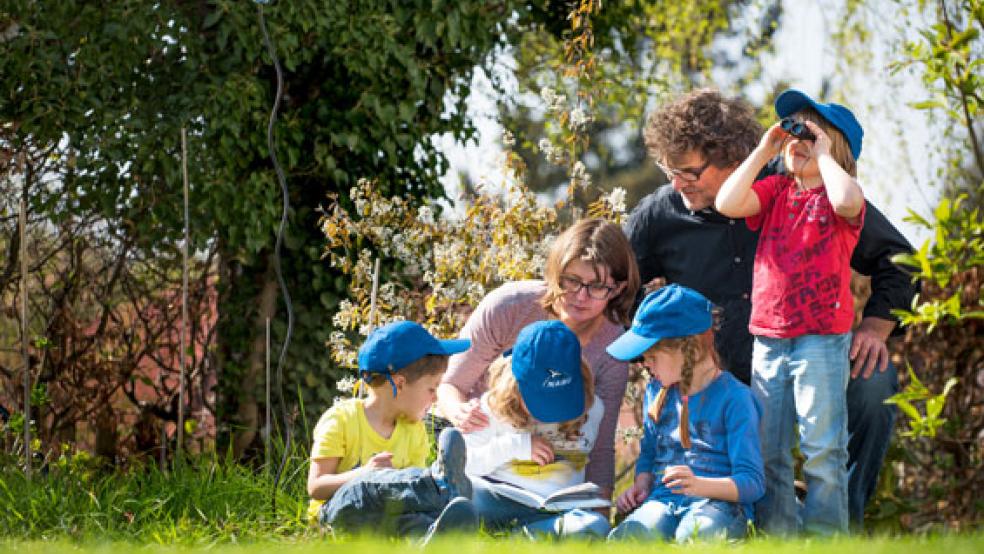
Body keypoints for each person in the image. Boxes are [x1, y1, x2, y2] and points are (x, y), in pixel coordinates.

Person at [624, 88, 916, 528]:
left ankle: (842, 522)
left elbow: (899, 259)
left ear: (731, 158)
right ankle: (760, 522)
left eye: (689, 172)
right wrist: (651, 351)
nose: (676, 183)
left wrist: (875, 327)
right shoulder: (658, 215)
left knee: (874, 382)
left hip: (814, 349)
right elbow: (619, 286)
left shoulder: (800, 185)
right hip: (718, 378)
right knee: (762, 454)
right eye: (669, 170)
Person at [715, 89, 866, 535]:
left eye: (811, 131)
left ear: (837, 148)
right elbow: (726, 202)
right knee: (768, 450)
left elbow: (847, 202)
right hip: (769, 338)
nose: (797, 139)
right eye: (793, 130)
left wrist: (824, 155)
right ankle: (778, 538)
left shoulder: (841, 197)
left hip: (820, 340)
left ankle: (825, 541)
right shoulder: (776, 190)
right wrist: (765, 149)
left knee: (822, 449)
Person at [437, 218, 641, 498]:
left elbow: (601, 447)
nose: (580, 296)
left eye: (597, 287)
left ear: (618, 288)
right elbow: (450, 386)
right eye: (572, 280)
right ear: (556, 270)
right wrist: (459, 413)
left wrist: (600, 518)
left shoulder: (613, 347)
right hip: (486, 457)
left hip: (549, 481)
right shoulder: (509, 308)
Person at [606, 285, 764, 542]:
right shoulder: (658, 390)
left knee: (695, 535)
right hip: (664, 501)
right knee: (630, 537)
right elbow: (648, 453)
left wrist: (699, 486)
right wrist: (642, 484)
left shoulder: (735, 399)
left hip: (718, 504)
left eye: (652, 357)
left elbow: (753, 483)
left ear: (687, 349)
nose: (644, 364)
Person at [306, 320, 476, 542]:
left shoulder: (414, 430)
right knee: (363, 488)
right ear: (400, 383)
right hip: (337, 517)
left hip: (384, 522)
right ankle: (441, 486)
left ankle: (432, 535)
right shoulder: (341, 419)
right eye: (431, 389)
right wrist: (365, 473)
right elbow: (316, 487)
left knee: (413, 514)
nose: (435, 398)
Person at [462, 320, 611, 538]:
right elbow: (467, 463)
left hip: (554, 513)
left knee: (594, 525)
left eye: (560, 401)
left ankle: (517, 537)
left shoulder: (592, 408)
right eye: (539, 401)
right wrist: (516, 446)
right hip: (496, 501)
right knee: (467, 494)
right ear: (514, 382)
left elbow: (594, 460)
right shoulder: (491, 407)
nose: (548, 414)